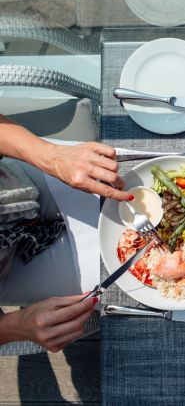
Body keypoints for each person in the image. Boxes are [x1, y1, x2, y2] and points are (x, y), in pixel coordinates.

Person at [0, 115, 131, 352]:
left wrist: (50, 156)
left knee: (132, 179)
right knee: (131, 287)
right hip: (9, 271)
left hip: (15, 185)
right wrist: (12, 327)